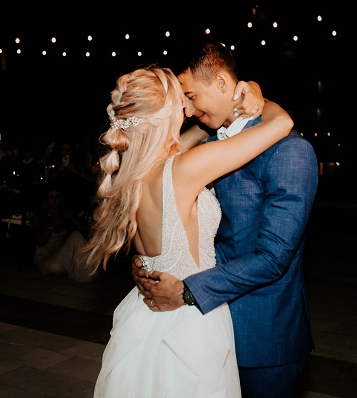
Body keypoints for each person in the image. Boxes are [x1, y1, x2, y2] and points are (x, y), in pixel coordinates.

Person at [82, 64, 289, 397]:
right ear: (165, 115)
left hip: (146, 316)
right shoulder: (183, 169)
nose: (190, 109)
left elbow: (192, 139)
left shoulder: (130, 173)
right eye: (183, 103)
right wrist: (259, 99)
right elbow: (282, 124)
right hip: (190, 320)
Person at [132, 35, 320, 398]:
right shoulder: (208, 144)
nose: (187, 110)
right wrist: (152, 260)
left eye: (190, 97)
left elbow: (273, 257)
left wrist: (186, 291)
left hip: (262, 337)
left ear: (220, 82)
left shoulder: (291, 152)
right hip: (205, 330)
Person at [30, 183, 97, 282]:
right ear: (46, 200)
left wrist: (73, 218)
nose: (54, 200)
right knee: (76, 237)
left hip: (61, 256)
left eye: (57, 197)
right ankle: (87, 276)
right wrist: (51, 226)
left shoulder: (64, 215)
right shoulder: (39, 217)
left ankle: (91, 273)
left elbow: (85, 231)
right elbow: (40, 242)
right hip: (44, 260)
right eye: (51, 197)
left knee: (77, 236)